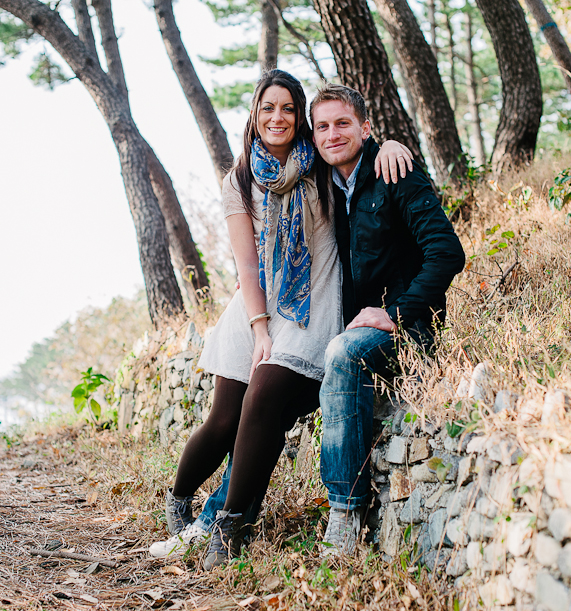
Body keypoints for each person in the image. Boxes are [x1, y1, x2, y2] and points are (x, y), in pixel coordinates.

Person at [148, 70, 411, 568]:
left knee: (265, 397)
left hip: (314, 306)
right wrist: (259, 328)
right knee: (224, 420)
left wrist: (392, 143)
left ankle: (229, 528)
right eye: (268, 107)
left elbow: (357, 148)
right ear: (254, 114)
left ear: (299, 116)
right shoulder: (240, 179)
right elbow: (247, 267)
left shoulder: (320, 163)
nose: (278, 117)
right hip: (257, 309)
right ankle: (179, 501)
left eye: (288, 108)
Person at [308, 83, 466, 557]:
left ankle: (345, 514)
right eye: (322, 126)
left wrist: (397, 313)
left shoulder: (393, 170)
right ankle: (226, 513)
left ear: (365, 128)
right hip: (351, 325)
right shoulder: (322, 183)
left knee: (342, 354)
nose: (333, 134)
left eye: (343, 123)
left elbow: (447, 253)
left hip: (409, 329)